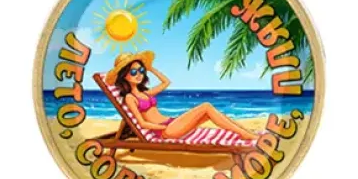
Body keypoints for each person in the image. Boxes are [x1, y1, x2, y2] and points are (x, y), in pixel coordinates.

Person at [105, 51, 257, 141]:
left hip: (170, 123)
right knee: (206, 107)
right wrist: (163, 127)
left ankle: (244, 131)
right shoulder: (130, 98)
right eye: (133, 72)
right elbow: (143, 124)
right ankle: (244, 134)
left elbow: (166, 82)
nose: (139, 74)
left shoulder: (145, 93)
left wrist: (151, 69)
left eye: (141, 70)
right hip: (165, 130)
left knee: (209, 112)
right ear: (124, 76)